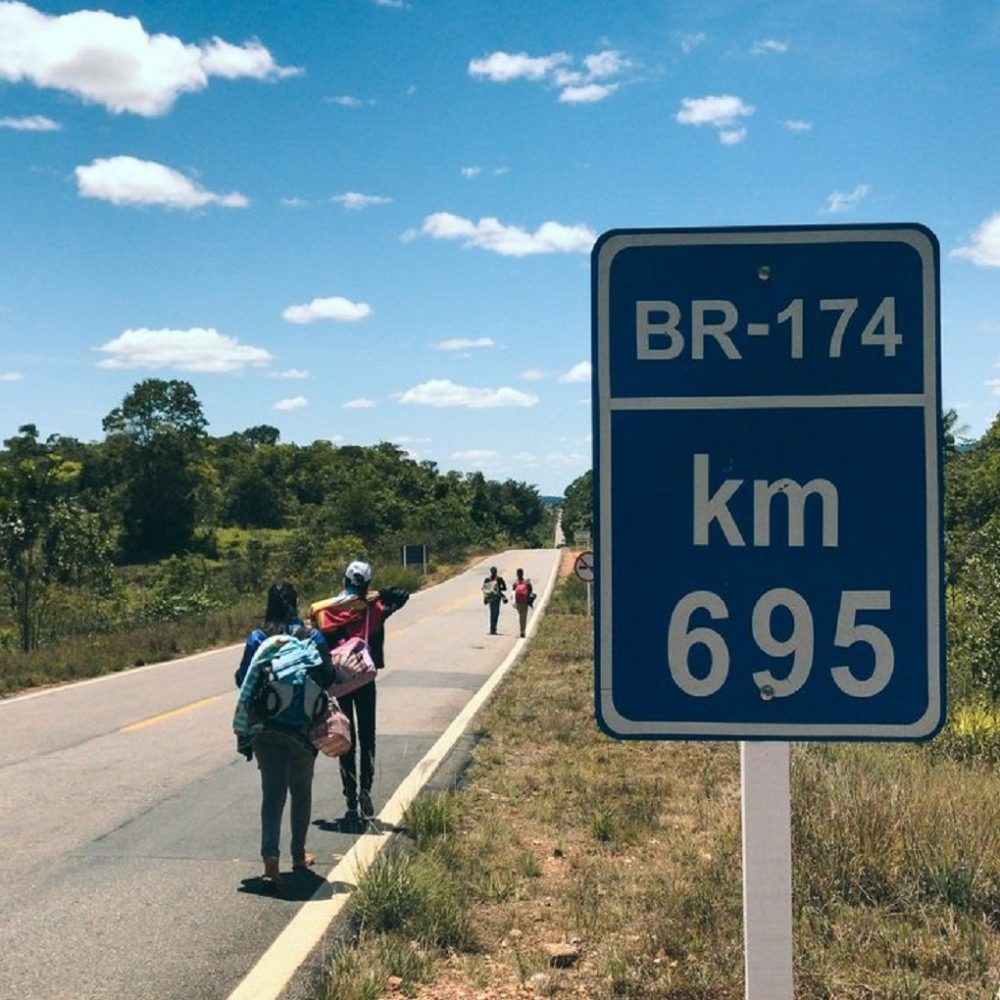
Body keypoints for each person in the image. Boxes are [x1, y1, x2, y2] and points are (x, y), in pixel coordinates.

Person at [233, 582, 336, 890]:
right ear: (295, 603)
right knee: (301, 791)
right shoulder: (311, 636)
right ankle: (298, 856)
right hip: (302, 729)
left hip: (266, 728)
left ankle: (270, 864)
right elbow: (328, 677)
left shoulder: (259, 638)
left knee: (272, 794)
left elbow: (242, 679)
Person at [322, 560, 409, 820]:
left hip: (341, 682)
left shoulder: (331, 610)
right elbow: (402, 595)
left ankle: (349, 797)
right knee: (367, 736)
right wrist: (380, 593)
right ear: (367, 583)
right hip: (365, 680)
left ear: (344, 580)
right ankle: (366, 789)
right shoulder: (375, 608)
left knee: (345, 738)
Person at [482, 565, 508, 635]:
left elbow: (484, 589)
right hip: (497, 597)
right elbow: (505, 588)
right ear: (496, 572)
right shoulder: (500, 579)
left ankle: (492, 628)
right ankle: (494, 628)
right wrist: (498, 589)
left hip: (491, 598)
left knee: (492, 613)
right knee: (496, 613)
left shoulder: (487, 579)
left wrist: (485, 598)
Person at [512, 567, 534, 638]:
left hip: (518, 602)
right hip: (525, 602)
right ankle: (522, 631)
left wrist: (513, 602)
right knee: (523, 617)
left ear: (517, 574)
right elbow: (531, 591)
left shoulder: (515, 583)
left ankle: (522, 630)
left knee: (520, 616)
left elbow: (513, 593)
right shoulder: (527, 583)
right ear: (522, 574)